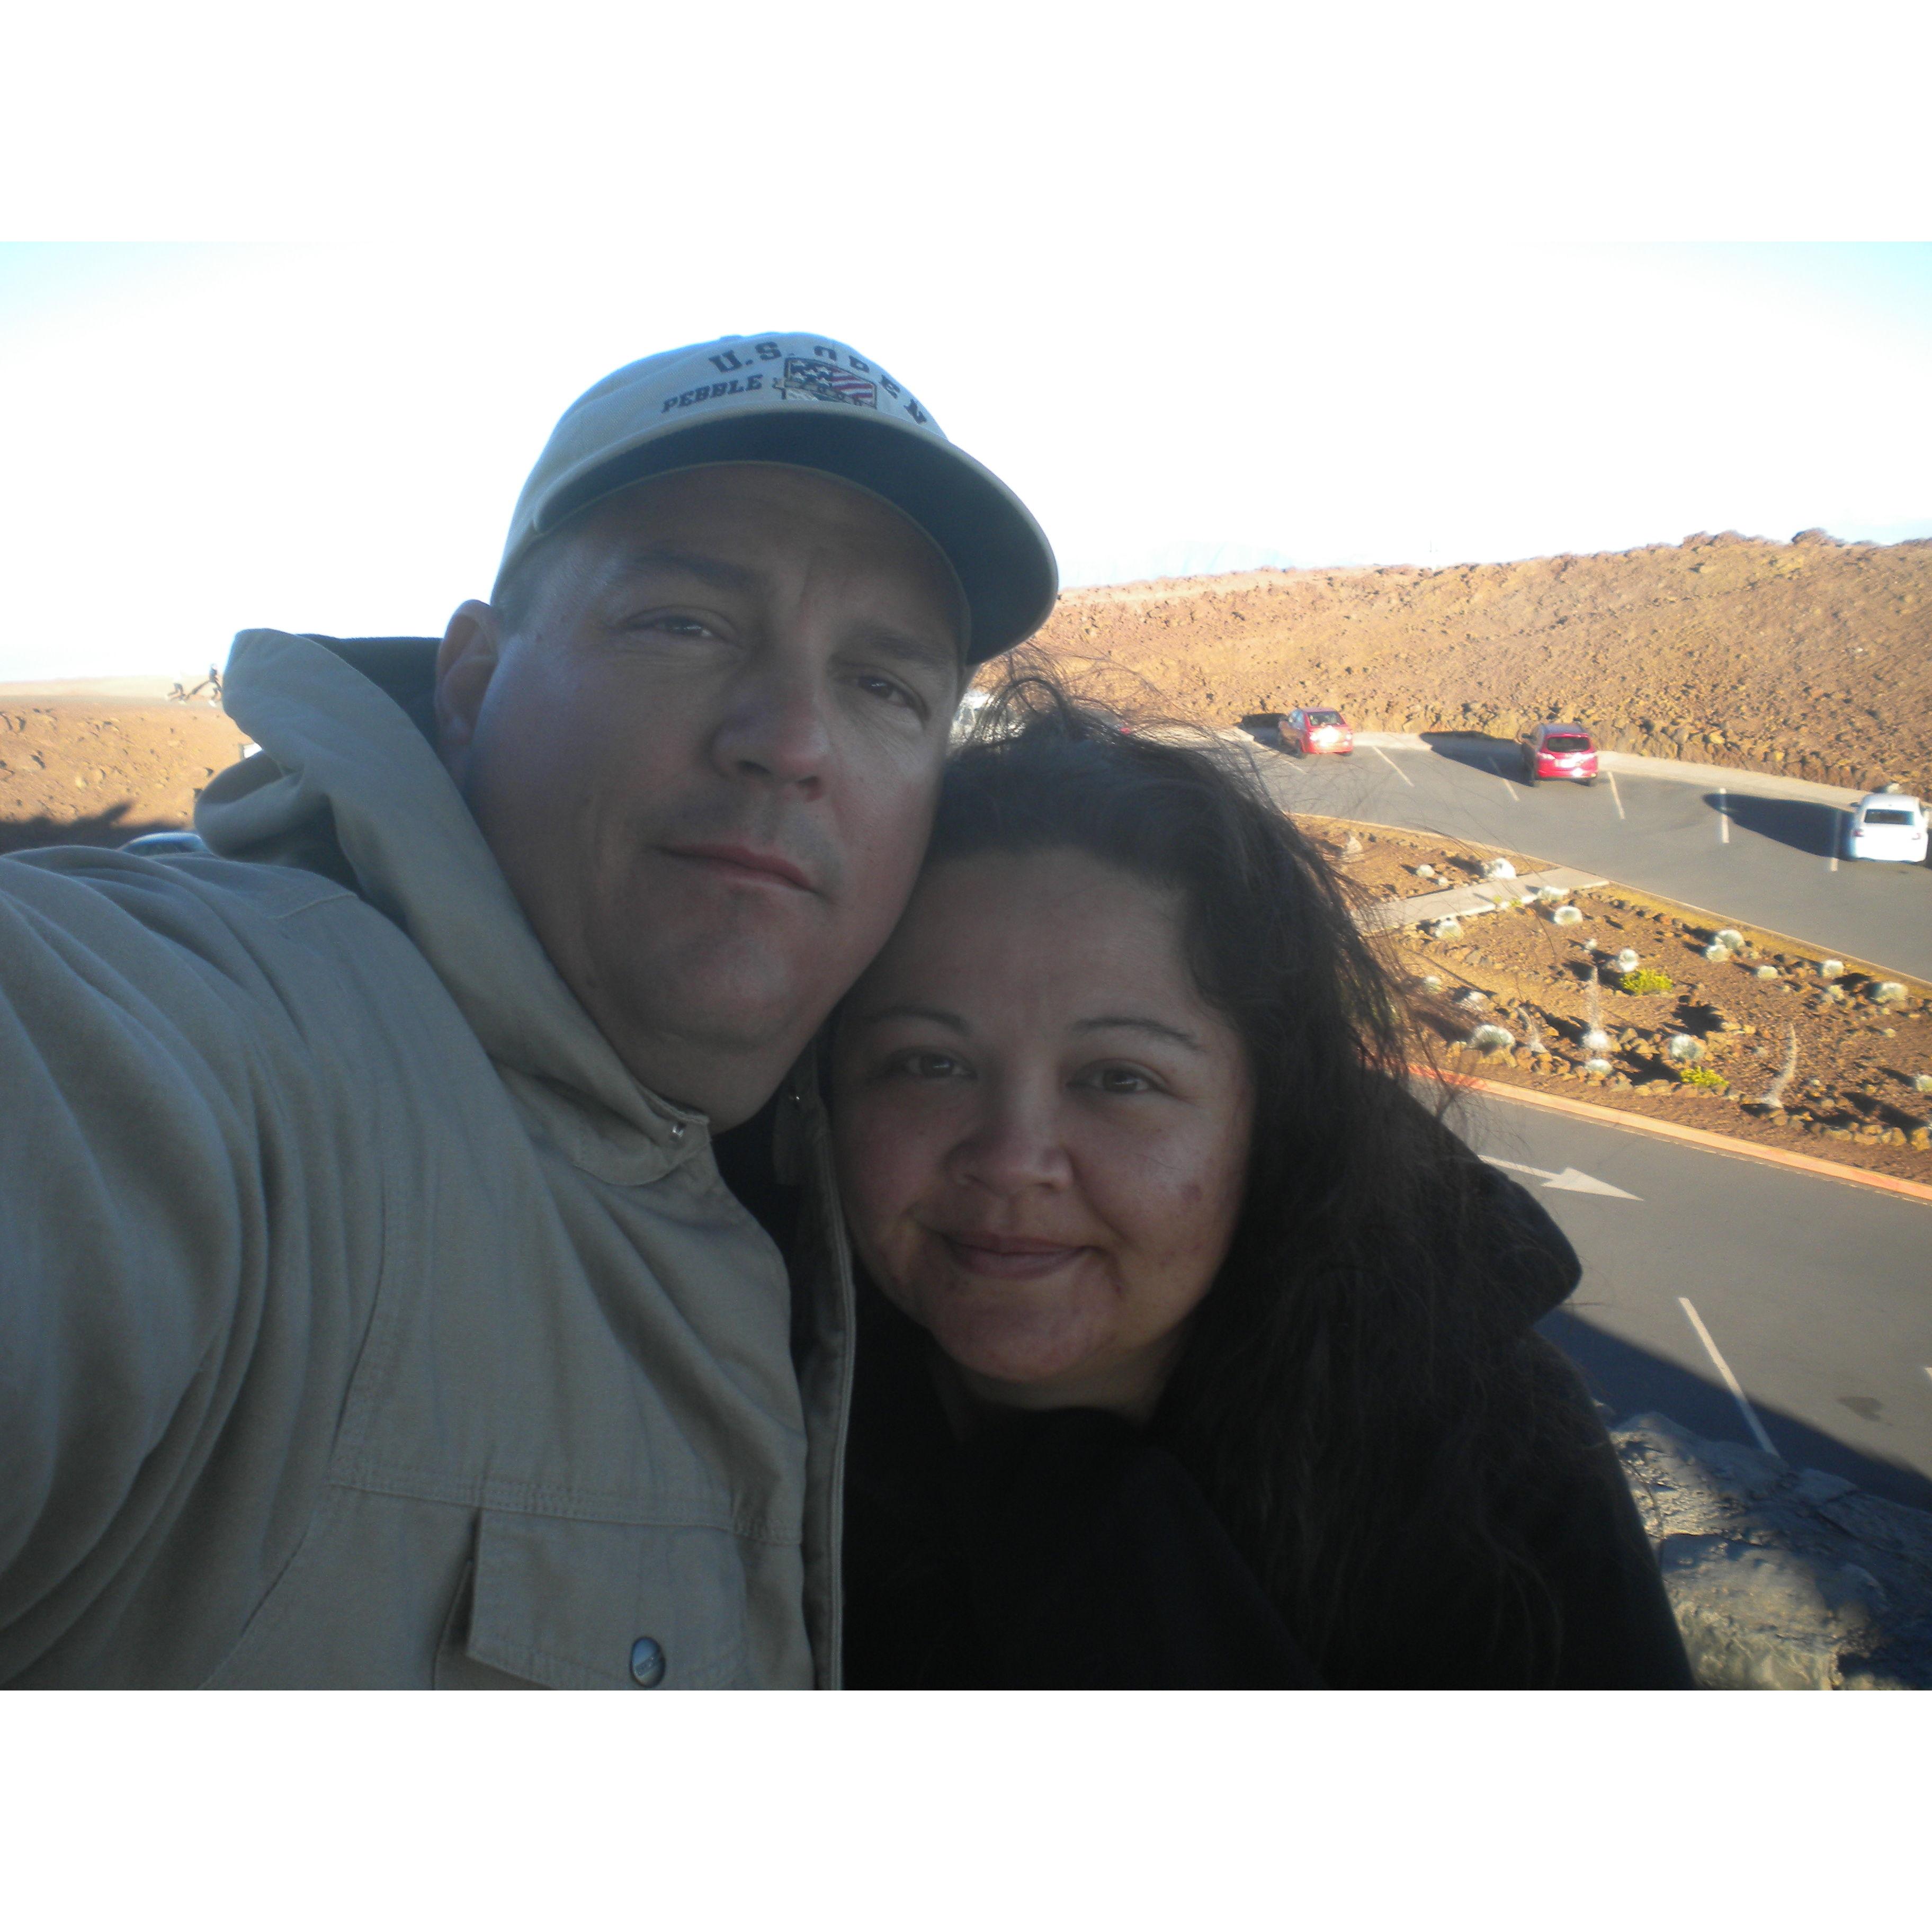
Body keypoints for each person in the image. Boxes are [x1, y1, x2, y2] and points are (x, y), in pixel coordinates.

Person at [0, 333, 1056, 1688]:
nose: (790, 740)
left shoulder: (876, 1160)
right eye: (684, 622)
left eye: (884, 685)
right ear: (471, 683)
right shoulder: (235, 1059)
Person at [831, 683, 1695, 1688]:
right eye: (929, 1064)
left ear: (1272, 1115)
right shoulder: (730, 1396)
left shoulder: (1481, 1459)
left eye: (1121, 1079)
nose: (1013, 1157)